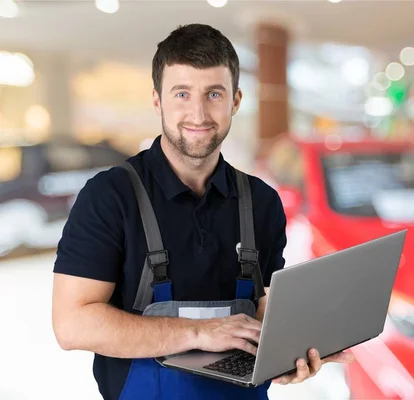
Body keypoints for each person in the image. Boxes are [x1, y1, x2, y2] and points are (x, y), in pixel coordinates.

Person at [51, 24, 353, 400]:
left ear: (236, 101)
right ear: (158, 100)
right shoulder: (110, 196)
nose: (198, 113)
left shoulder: (262, 202)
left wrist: (285, 355)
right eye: (182, 93)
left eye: (214, 94)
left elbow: (264, 309)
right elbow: (72, 325)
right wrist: (198, 332)